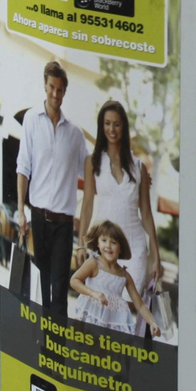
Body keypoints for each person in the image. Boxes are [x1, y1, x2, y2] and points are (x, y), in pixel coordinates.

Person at [75, 100, 163, 333]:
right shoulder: (92, 161)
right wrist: (81, 244)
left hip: (133, 247)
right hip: (103, 245)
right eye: (107, 124)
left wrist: (156, 255)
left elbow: (146, 213)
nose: (111, 129)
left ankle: (122, 361)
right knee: (103, 305)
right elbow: (87, 206)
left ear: (124, 128)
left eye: (116, 124)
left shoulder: (138, 167)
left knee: (127, 309)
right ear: (101, 126)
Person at [14, 61, 90, 317]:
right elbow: (23, 167)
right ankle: (42, 349)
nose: (55, 94)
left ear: (65, 92)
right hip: (38, 217)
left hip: (63, 224)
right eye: (51, 88)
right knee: (41, 289)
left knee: (58, 292)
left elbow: (90, 174)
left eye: (60, 90)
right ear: (45, 86)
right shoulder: (31, 121)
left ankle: (57, 354)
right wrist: (21, 212)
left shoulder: (75, 134)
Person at [70, 221, 162, 337]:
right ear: (97, 243)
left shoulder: (124, 275)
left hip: (111, 323)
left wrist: (152, 322)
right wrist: (93, 293)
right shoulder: (94, 263)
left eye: (113, 242)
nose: (108, 246)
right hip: (90, 318)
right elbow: (74, 280)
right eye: (104, 240)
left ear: (120, 248)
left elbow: (140, 304)